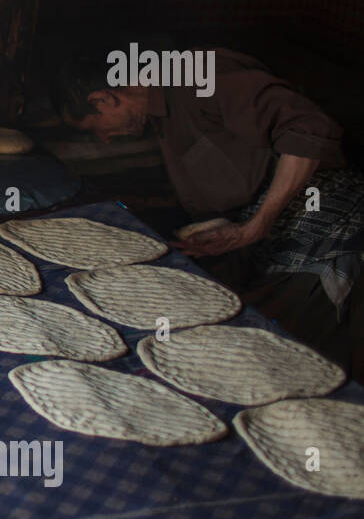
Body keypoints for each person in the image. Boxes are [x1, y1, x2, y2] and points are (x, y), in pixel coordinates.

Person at [55, 45, 364, 382]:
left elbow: (309, 129)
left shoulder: (199, 75)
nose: (104, 140)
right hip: (261, 213)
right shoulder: (160, 111)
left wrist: (254, 228)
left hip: (324, 204)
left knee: (287, 335)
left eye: (93, 127)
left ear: (103, 99)